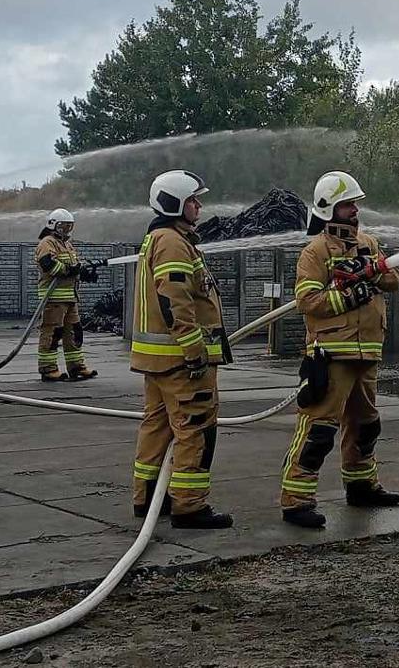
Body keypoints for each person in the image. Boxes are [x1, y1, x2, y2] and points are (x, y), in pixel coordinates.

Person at [277, 171, 399, 530]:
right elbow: (308, 301)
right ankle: (296, 499)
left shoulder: (370, 243)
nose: (354, 210)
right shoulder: (314, 251)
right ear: (329, 208)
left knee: (366, 427)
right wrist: (350, 293)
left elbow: (395, 278)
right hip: (331, 355)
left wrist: (370, 272)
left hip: (367, 354)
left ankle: (362, 486)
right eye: (347, 204)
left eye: (355, 203)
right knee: (318, 430)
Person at [126, 170, 233, 529]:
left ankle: (147, 497)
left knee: (156, 428)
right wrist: (195, 351)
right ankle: (190, 505)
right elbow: (175, 301)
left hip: (158, 360)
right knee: (196, 429)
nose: (199, 205)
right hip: (180, 362)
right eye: (192, 200)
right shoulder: (172, 241)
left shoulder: (160, 238)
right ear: (175, 203)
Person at [33, 208, 98, 382]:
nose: (67, 230)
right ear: (53, 225)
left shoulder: (67, 245)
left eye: (69, 227)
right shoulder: (47, 242)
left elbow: (74, 267)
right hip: (53, 298)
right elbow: (48, 264)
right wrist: (70, 269)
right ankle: (48, 368)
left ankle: (76, 367)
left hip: (70, 297)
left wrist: (84, 273)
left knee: (74, 333)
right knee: (52, 333)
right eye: (63, 226)